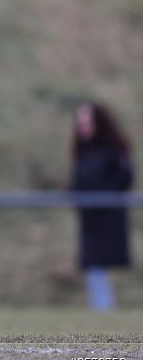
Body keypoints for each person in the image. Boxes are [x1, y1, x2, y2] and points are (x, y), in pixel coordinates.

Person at [70, 101, 134, 311]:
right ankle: (101, 305)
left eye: (87, 121)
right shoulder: (82, 151)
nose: (83, 127)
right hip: (89, 217)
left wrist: (103, 196)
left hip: (107, 216)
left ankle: (103, 306)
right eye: (80, 122)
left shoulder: (113, 150)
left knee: (98, 262)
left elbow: (125, 177)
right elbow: (78, 181)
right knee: (92, 264)